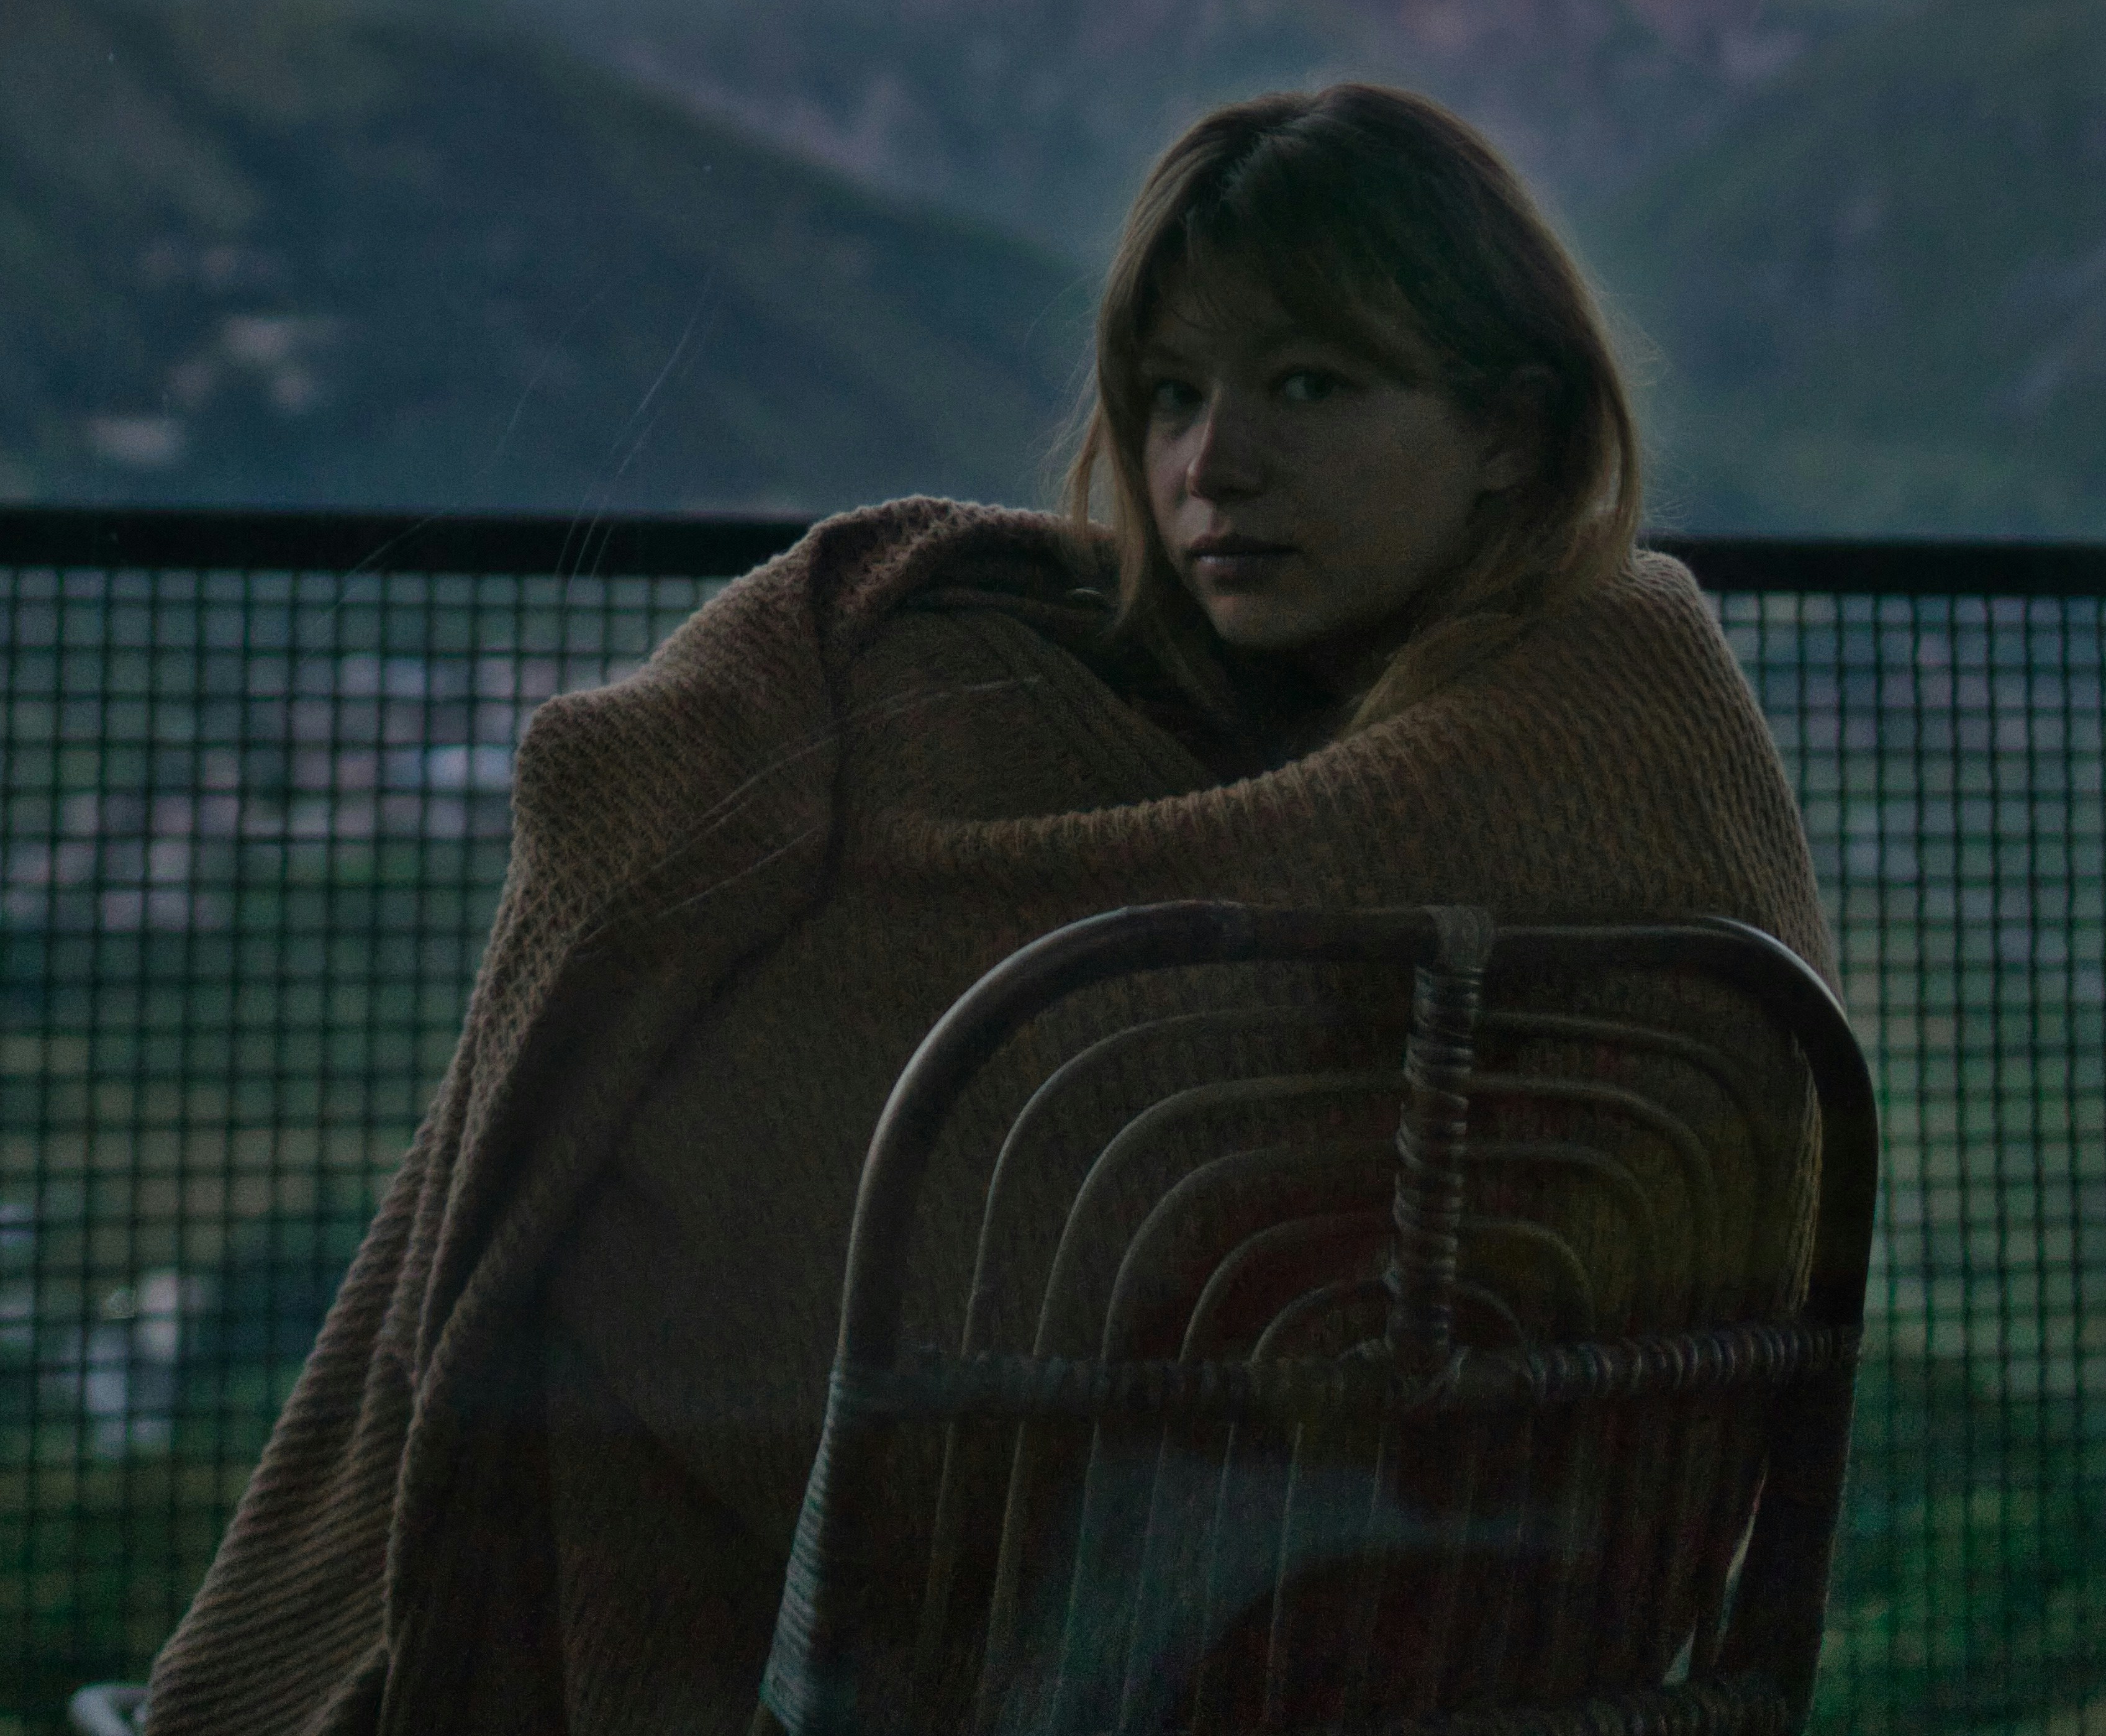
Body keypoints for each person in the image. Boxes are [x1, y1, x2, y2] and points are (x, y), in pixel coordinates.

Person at [145, 86, 1831, 1736]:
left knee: (606, 1177)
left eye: (1312, 384)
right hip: (1494, 1638)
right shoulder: (1384, 726)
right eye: (1169, 396)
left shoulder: (1596, 734)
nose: (1212, 464)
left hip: (1311, 1614)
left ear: (1512, 434)